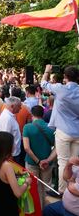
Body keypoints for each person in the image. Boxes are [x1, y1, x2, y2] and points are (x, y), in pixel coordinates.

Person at [41, 65, 79, 193]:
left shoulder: (60, 88)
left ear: (65, 77)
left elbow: (43, 83)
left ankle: (63, 192)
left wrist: (47, 70)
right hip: (77, 132)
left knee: (63, 162)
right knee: (74, 164)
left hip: (63, 131)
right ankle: (73, 190)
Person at [0, 132, 32, 216]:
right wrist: (27, 182)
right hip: (6, 207)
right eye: (12, 142)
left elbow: (2, 180)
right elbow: (17, 193)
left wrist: (17, 176)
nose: (14, 145)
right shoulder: (7, 165)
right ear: (6, 146)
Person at [22, 105, 56, 207]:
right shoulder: (51, 128)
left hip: (32, 162)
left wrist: (37, 161)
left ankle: (36, 209)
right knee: (46, 187)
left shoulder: (27, 127)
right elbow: (57, 148)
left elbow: (26, 148)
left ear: (32, 115)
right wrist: (47, 160)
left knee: (33, 187)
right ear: (43, 114)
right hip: (47, 164)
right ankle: (46, 209)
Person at [0, 96, 23, 165]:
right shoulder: (7, 118)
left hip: (14, 152)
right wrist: (9, 155)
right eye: (19, 106)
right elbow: (5, 138)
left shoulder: (10, 116)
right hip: (12, 154)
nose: (20, 108)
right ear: (12, 106)